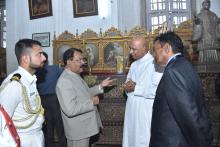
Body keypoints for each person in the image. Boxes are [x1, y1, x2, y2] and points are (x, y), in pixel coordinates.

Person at [150, 31, 213, 147]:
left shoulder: (172, 72)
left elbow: (188, 115)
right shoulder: (185, 65)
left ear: (167, 48)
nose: (154, 54)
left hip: (172, 141)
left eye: (155, 49)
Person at [56, 48, 114, 147]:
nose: (83, 62)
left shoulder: (74, 75)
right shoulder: (65, 81)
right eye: (79, 60)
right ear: (69, 62)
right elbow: (70, 110)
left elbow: (84, 93)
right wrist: (91, 102)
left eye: (83, 59)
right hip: (78, 131)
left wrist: (101, 86)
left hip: (83, 128)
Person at [0, 39, 46, 147]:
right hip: (22, 140)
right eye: (39, 54)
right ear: (25, 59)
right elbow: (1, 121)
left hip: (36, 137)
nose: (44, 58)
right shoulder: (14, 84)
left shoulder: (29, 79)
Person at [122, 36, 163, 147]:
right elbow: (129, 84)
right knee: (131, 138)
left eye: (134, 49)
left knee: (143, 139)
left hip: (145, 110)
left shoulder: (155, 64)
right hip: (132, 108)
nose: (131, 52)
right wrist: (127, 87)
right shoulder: (134, 64)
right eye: (131, 48)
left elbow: (157, 90)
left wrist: (136, 88)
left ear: (144, 48)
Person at [36, 52, 66, 147]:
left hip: (42, 100)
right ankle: (63, 144)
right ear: (47, 60)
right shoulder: (55, 68)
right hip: (54, 99)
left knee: (48, 124)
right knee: (59, 124)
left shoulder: (36, 71)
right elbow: (66, 75)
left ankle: (48, 145)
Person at [192, 0, 220, 64]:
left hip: (213, 39)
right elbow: (197, 24)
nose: (207, 5)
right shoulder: (199, 15)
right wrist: (197, 22)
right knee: (203, 59)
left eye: (208, 3)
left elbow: (217, 24)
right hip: (203, 39)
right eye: (205, 3)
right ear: (202, 5)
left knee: (216, 59)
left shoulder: (214, 15)